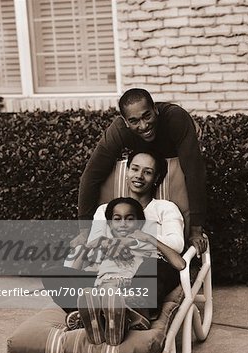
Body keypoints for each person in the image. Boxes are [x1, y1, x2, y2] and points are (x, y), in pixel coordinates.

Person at [42, 150, 185, 341]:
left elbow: (177, 244)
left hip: (148, 271)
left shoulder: (165, 208)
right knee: (53, 274)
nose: (139, 176)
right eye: (135, 169)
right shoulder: (105, 210)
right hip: (107, 276)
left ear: (156, 177)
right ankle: (92, 315)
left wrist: (141, 238)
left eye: (148, 172)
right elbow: (93, 250)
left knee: (152, 267)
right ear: (127, 170)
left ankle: (128, 313)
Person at [75, 88, 207, 256]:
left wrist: (195, 230)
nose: (144, 126)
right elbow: (91, 175)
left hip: (177, 159)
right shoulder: (119, 130)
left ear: (155, 109)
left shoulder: (175, 118)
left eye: (147, 116)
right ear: (125, 121)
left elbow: (194, 171)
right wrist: (85, 229)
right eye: (134, 121)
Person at [67, 196, 185, 345]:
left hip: (129, 293)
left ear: (139, 223)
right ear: (109, 224)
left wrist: (149, 238)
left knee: (153, 265)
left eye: (129, 219)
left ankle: (119, 318)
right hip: (103, 291)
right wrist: (89, 246)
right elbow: (72, 271)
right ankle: (99, 320)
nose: (123, 224)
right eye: (117, 219)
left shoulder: (141, 243)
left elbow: (179, 264)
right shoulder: (104, 245)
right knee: (54, 274)